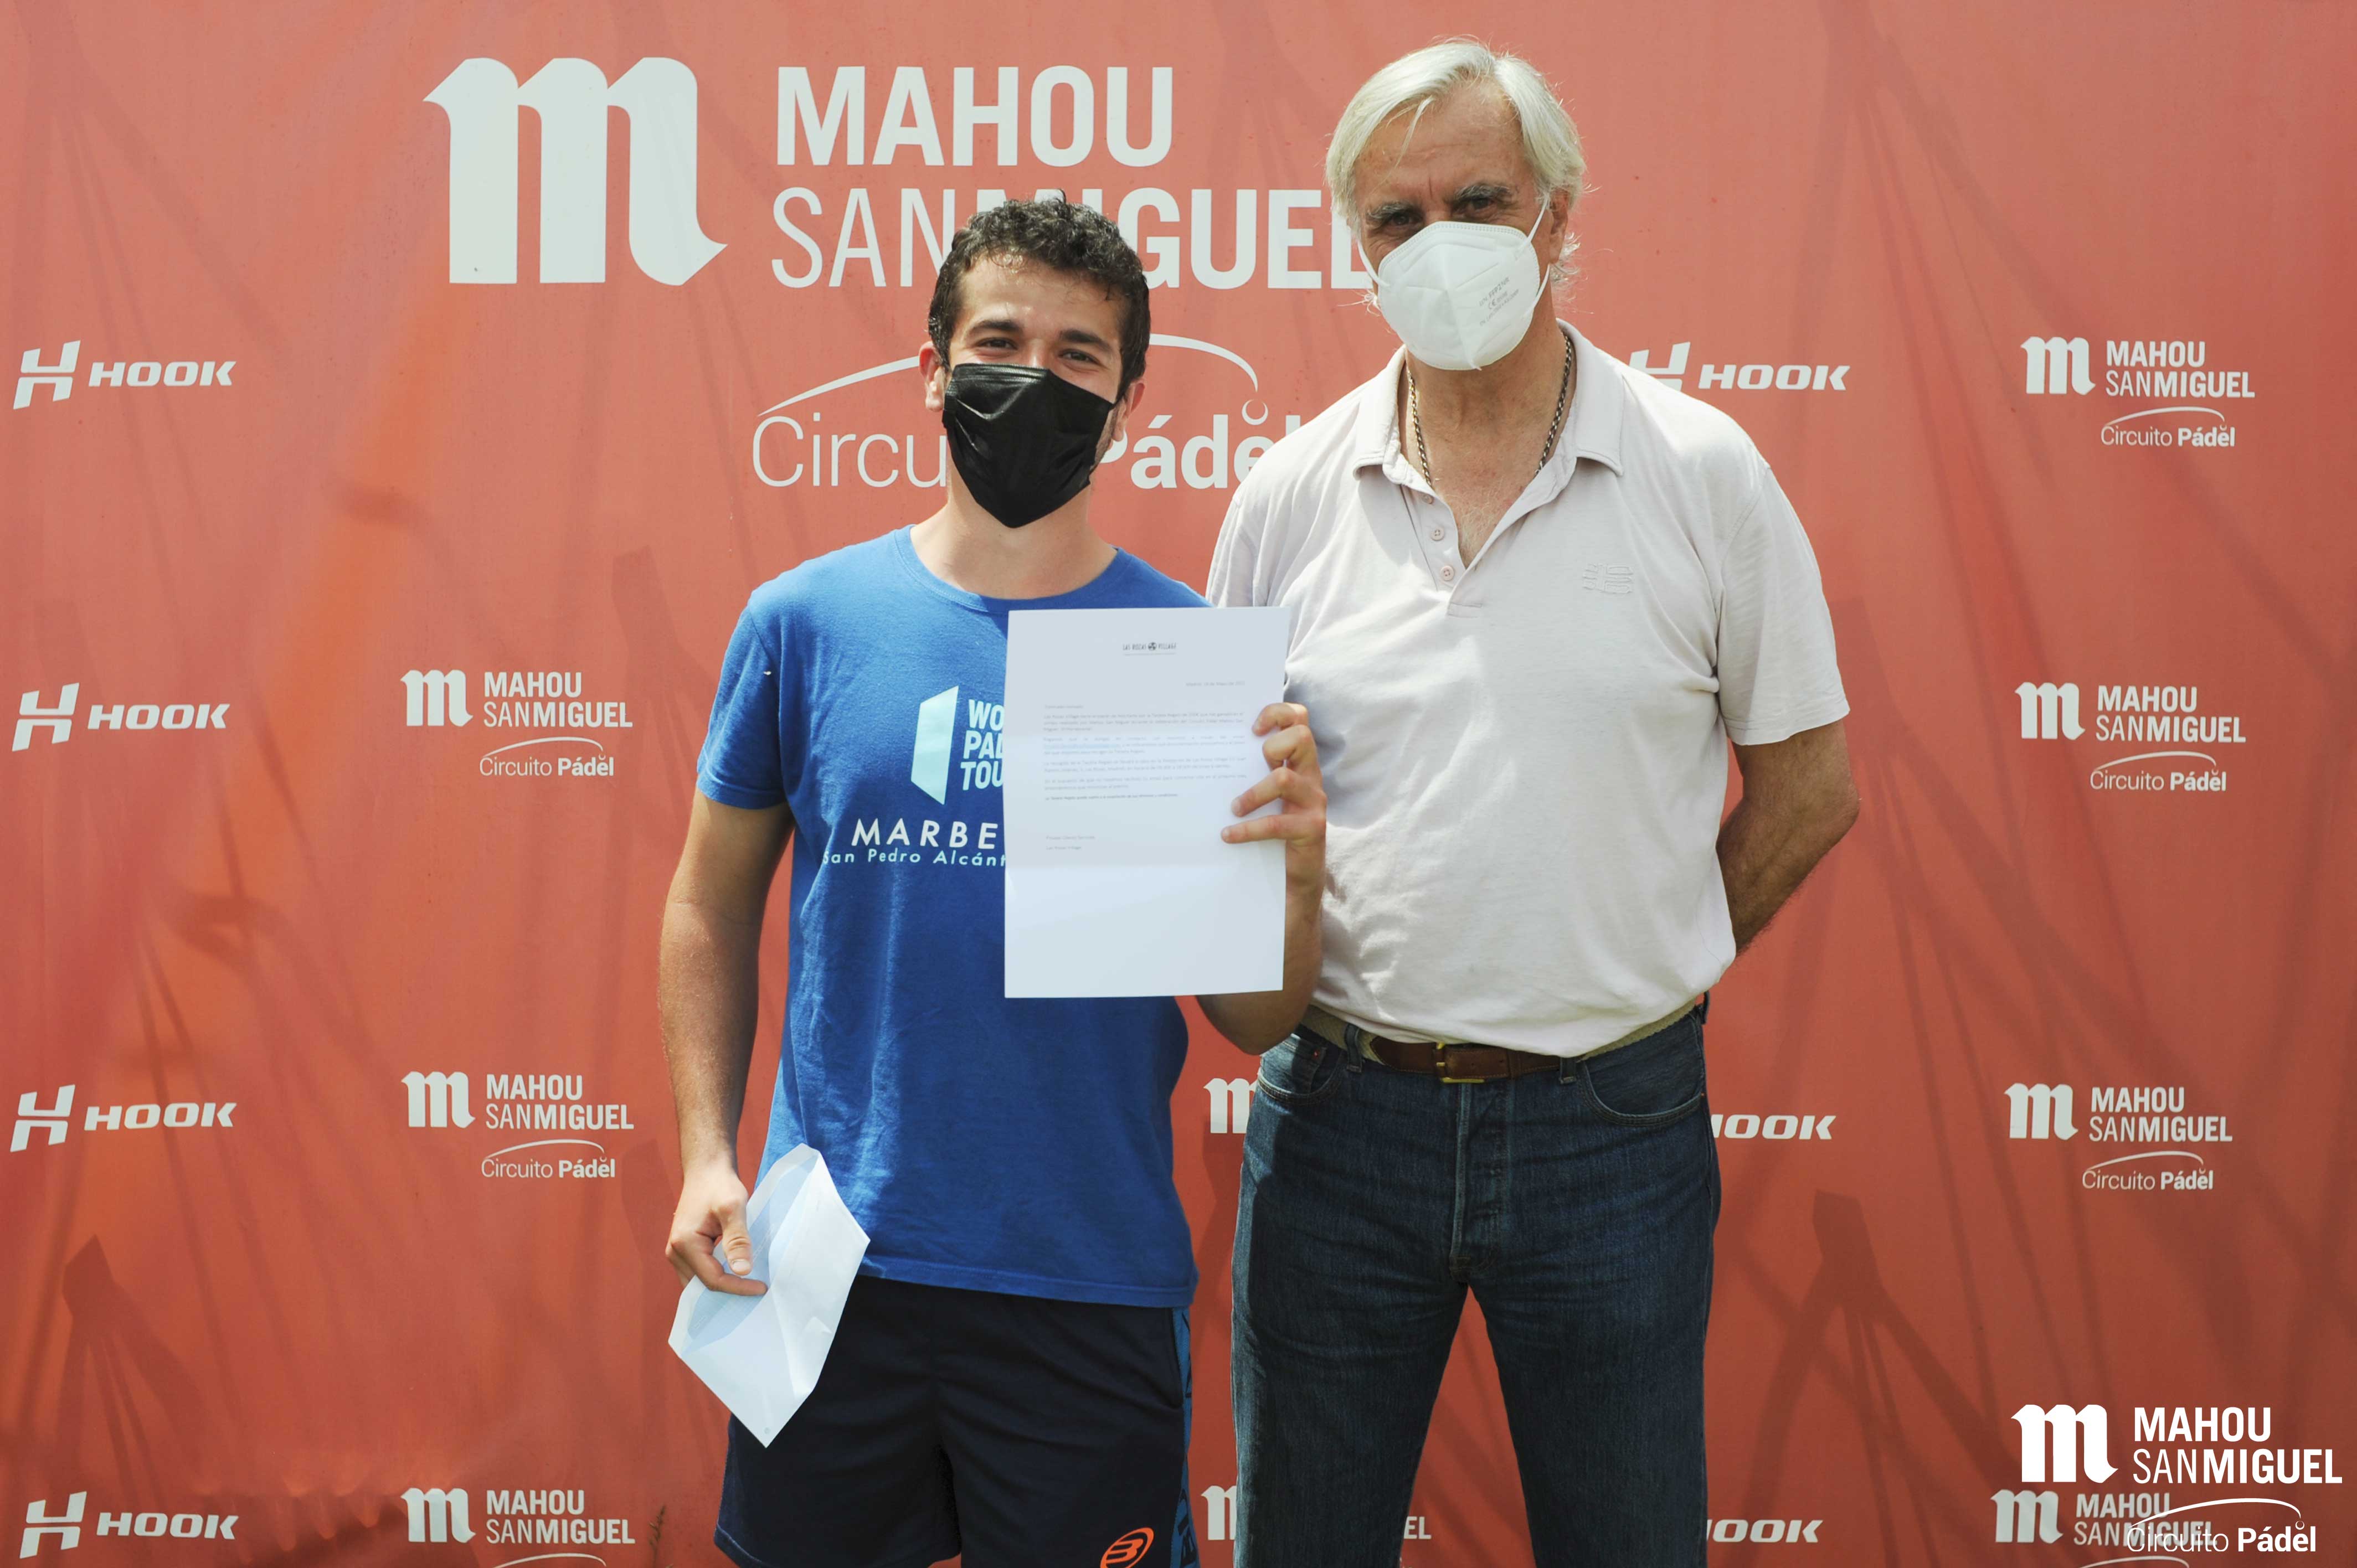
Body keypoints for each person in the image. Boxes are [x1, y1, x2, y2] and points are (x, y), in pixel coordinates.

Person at [1207, 42, 1859, 1568]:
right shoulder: (1286, 496)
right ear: (1357, 250)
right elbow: (1229, 812)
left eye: (1479, 201)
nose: (1438, 245)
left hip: (1611, 1125)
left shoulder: (1702, 471)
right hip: (1338, 1121)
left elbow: (1810, 789)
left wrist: (1636, 948)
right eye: (1396, 218)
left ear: (1558, 214)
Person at [658, 198, 1327, 1568]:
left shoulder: (1184, 658)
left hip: (1083, 1275)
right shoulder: (805, 621)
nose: (1035, 378)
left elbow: (1254, 1021)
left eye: (1080, 357)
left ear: (1128, 403)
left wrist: (1298, 878)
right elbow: (707, 902)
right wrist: (706, 1155)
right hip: (831, 1270)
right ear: (932, 367)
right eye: (1000, 342)